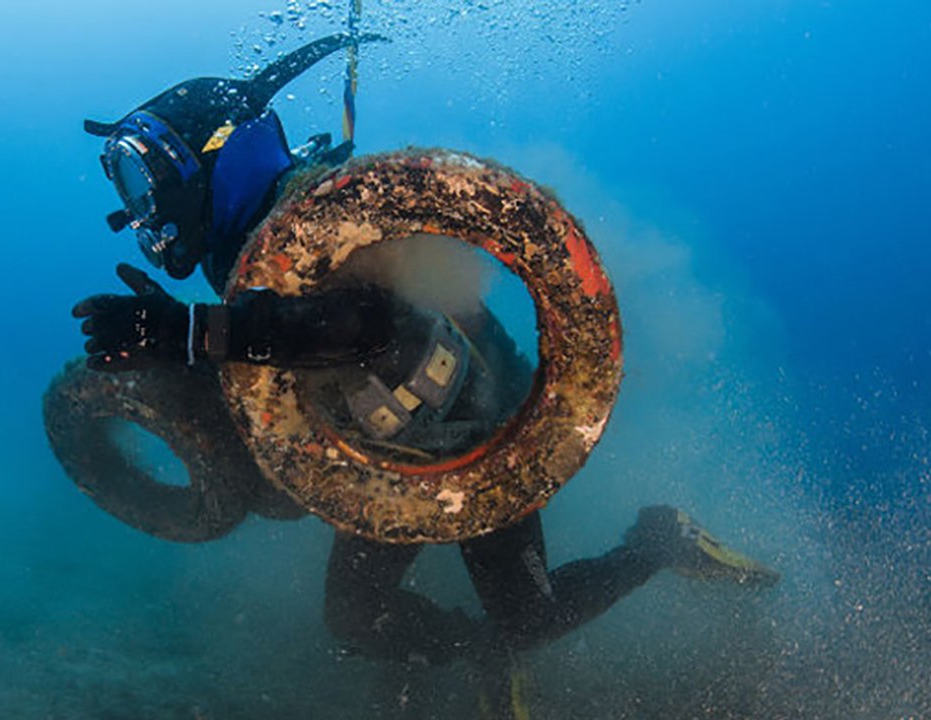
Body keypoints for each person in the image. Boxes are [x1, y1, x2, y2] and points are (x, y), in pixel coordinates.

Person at [70, 33, 779, 716]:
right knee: (356, 621)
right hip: (385, 461)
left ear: (207, 161)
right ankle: (480, 652)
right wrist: (189, 349)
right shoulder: (247, 257)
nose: (141, 214)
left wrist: (193, 332)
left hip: (475, 435)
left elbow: (368, 325)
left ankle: (659, 541)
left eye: (146, 183)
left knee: (530, 616)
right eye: (131, 190)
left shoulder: (326, 212)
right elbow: (277, 386)